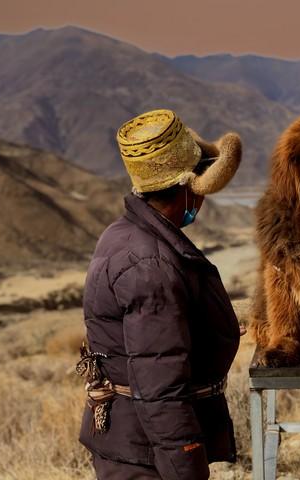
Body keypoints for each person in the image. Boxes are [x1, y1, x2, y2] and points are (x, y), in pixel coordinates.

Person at [77, 109, 244, 479]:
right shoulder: (149, 264)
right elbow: (160, 385)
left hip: (135, 444)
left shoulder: (124, 235)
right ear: (187, 189)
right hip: (148, 454)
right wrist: (187, 466)